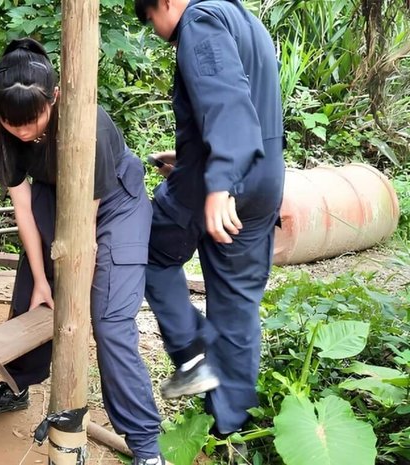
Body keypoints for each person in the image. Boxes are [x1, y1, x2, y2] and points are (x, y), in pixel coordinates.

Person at [0, 38, 164, 465]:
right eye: (10, 121)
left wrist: (77, 284)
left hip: (113, 203)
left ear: (54, 98)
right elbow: (23, 207)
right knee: (32, 297)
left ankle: (145, 446)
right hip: (53, 196)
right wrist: (40, 278)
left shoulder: (89, 121)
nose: (22, 130)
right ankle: (16, 384)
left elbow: (84, 232)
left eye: (31, 120)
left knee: (109, 319)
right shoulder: (2, 131)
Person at [134, 0, 285, 444]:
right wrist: (188, 158)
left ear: (163, 3)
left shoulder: (198, 22)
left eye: (150, 19)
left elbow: (226, 103)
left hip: (217, 183)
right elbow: (248, 103)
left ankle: (192, 352)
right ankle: (229, 427)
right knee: (236, 304)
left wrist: (219, 181)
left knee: (142, 247)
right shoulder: (244, 20)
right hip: (264, 180)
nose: (158, 30)